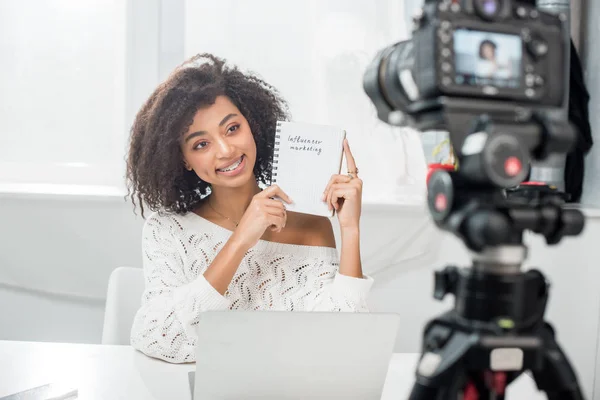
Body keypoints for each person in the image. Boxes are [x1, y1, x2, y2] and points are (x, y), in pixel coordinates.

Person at [125, 53, 373, 363]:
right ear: (184, 159)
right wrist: (241, 239)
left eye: (232, 129)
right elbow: (157, 337)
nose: (227, 150)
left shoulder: (311, 224)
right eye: (201, 144)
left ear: (252, 125)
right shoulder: (168, 230)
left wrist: (350, 230)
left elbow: (342, 342)